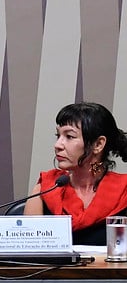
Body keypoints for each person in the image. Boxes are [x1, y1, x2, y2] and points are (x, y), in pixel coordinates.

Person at [24, 102, 127, 245]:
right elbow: (29, 253)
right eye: (58, 135)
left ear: (98, 144)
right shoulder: (45, 188)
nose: (58, 145)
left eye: (69, 136)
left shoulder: (124, 191)